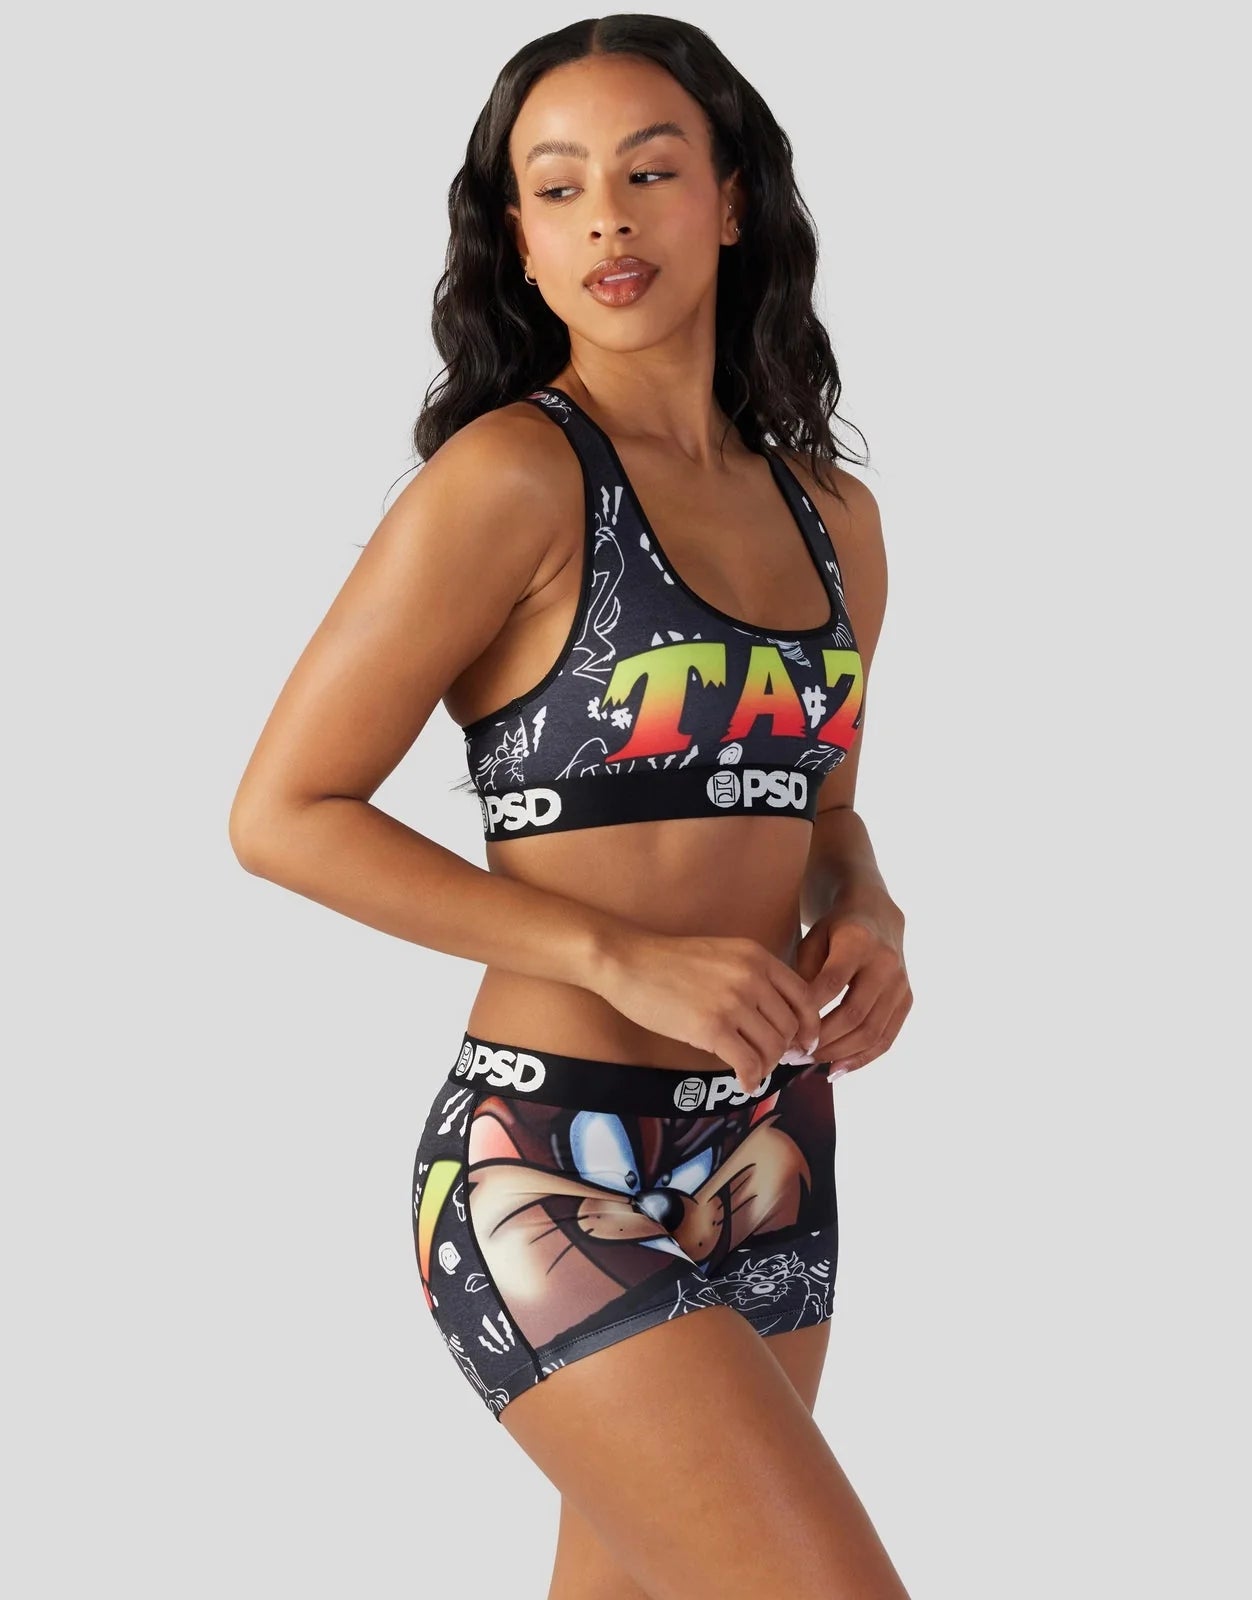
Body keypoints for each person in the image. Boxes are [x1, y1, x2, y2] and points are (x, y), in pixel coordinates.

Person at [230, 15, 913, 1599]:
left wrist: (868, 908)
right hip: (541, 1161)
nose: (608, 217)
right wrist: (619, 955)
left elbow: (821, 809)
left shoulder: (837, 519)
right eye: (559, 187)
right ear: (521, 239)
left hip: (768, 1150)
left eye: (650, 172)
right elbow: (284, 811)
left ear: (730, 201)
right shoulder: (514, 479)